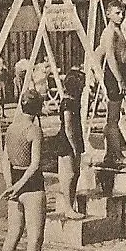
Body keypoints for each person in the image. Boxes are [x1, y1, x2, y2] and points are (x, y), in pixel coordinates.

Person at [0, 89, 47, 251]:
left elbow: (5, 158)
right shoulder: (34, 130)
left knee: (13, 234)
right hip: (32, 185)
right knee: (35, 239)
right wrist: (19, 186)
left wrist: (10, 184)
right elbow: (35, 164)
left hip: (14, 183)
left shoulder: (11, 128)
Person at [99, 0, 126, 162]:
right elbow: (110, 57)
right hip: (115, 76)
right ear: (108, 14)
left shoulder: (118, 30)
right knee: (113, 118)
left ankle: (111, 154)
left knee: (115, 117)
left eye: (122, 13)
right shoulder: (110, 32)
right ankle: (115, 155)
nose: (121, 16)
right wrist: (120, 80)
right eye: (117, 13)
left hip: (121, 73)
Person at [55, 68, 86, 220]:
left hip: (75, 140)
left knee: (76, 174)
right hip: (67, 142)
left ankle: (71, 205)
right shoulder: (68, 103)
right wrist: (74, 148)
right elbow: (68, 128)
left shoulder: (73, 101)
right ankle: (68, 207)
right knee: (69, 175)